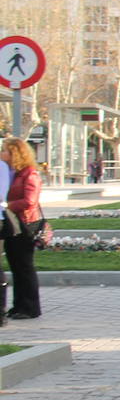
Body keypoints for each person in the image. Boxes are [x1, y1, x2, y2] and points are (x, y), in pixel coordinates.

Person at [2, 137, 42, 319]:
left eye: (5, 151)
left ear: (15, 154)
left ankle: (31, 307)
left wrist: (7, 205)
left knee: (25, 267)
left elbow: (30, 201)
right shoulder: (14, 173)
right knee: (16, 267)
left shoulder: (30, 174)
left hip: (25, 226)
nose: (2, 153)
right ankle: (18, 305)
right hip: (12, 225)